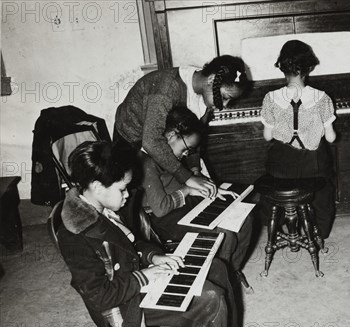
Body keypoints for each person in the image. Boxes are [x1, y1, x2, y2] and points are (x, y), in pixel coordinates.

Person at [57, 141, 261, 327]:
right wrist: (144, 276)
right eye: (122, 189)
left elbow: (130, 242)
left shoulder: (101, 206)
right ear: (97, 187)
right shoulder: (75, 234)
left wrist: (153, 256)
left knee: (217, 268)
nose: (128, 194)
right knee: (208, 298)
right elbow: (99, 297)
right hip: (123, 304)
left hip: (136, 277)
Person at [140, 105, 253, 283]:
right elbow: (161, 209)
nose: (185, 154)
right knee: (224, 234)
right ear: (170, 136)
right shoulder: (148, 162)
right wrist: (188, 190)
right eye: (185, 148)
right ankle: (219, 279)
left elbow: (188, 181)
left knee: (244, 219)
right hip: (163, 219)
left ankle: (232, 271)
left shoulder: (172, 154)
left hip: (185, 205)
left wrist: (209, 189)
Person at [113, 55, 250, 199]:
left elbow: (194, 138)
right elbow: (151, 140)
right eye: (225, 97)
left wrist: (195, 170)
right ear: (211, 79)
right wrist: (188, 178)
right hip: (131, 141)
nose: (225, 106)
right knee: (133, 196)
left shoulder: (206, 92)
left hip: (159, 143)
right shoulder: (167, 89)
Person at [260, 40, 337, 239]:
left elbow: (267, 136)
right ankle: (320, 233)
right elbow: (330, 137)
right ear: (308, 67)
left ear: (282, 68)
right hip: (314, 167)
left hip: (281, 168)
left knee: (273, 171)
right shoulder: (322, 97)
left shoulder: (270, 97)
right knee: (325, 188)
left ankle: (279, 229)